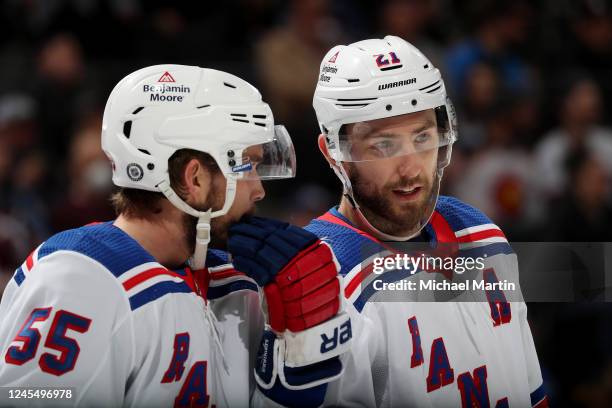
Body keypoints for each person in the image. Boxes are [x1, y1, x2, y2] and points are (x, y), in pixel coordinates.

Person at [0, 64, 346, 407]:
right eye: (245, 165)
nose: (258, 191)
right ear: (193, 179)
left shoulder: (237, 280)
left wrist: (299, 358)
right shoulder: (81, 280)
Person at [302, 36, 548, 406]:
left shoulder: (481, 234)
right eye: (383, 146)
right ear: (332, 153)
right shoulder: (318, 276)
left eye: (422, 137)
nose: (410, 168)